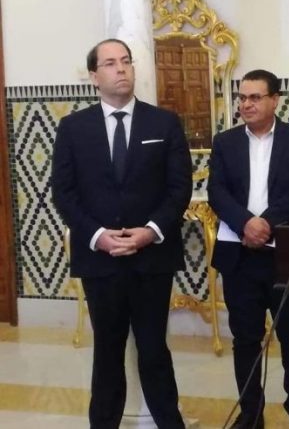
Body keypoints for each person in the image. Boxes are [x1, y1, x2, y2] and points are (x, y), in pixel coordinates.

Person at [51, 38, 192, 429]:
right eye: (110, 63)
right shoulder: (73, 128)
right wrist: (97, 235)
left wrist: (151, 231)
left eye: (126, 61)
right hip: (100, 260)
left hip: (152, 259)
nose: (121, 69)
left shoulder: (163, 123)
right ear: (94, 76)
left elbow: (179, 188)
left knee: (154, 351)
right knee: (107, 354)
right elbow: (64, 192)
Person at [208, 69, 289, 429]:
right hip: (239, 254)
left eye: (255, 97)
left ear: (275, 100)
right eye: (242, 98)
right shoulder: (225, 142)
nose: (246, 104)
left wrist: (265, 223)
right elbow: (217, 192)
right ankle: (251, 413)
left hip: (284, 252)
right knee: (245, 338)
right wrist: (246, 223)